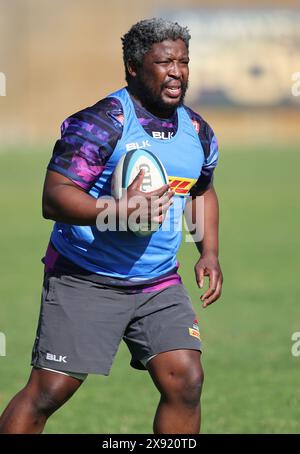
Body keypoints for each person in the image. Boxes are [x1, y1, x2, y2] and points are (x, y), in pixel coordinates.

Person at [0, 18, 223, 434]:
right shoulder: (101, 124)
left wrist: (207, 251)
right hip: (87, 278)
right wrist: (119, 209)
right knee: (49, 390)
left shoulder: (197, 131)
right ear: (134, 67)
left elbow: (201, 190)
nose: (177, 72)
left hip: (157, 282)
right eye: (164, 62)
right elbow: (55, 197)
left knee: (186, 379)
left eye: (183, 62)